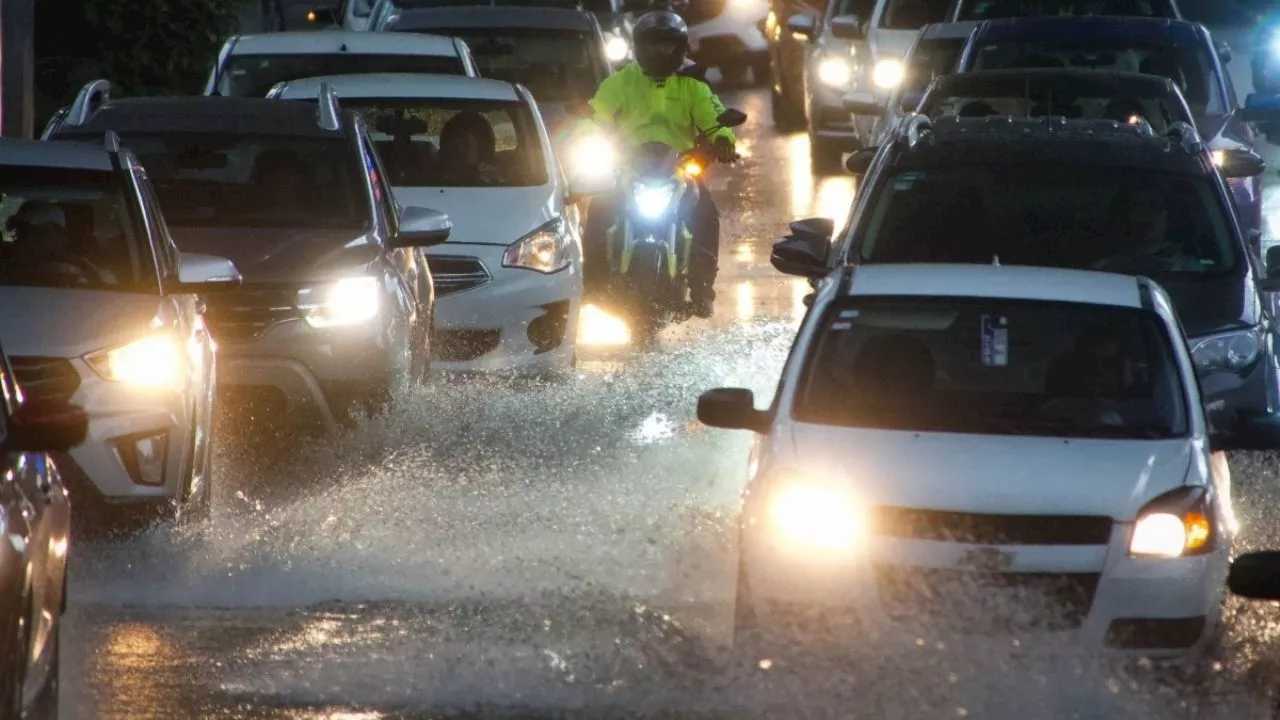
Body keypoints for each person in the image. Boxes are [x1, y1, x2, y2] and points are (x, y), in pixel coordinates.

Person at [580, 10, 737, 319]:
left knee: (706, 215)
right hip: (627, 170)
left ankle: (703, 289)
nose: (660, 52)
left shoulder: (694, 86)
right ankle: (593, 283)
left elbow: (716, 119)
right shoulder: (619, 83)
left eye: (668, 45)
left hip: (679, 170)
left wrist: (723, 139)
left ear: (682, 48)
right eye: (653, 45)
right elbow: (595, 117)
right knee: (597, 210)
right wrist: (589, 137)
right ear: (639, 47)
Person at [1093, 187, 1199, 275]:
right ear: (1126, 216)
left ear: (1168, 216)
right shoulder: (1104, 268)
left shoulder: (1192, 270)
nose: (1146, 214)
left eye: (1155, 207)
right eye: (1137, 207)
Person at [438, 111, 502, 186]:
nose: (460, 148)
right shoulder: (437, 175)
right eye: (455, 143)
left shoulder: (494, 176)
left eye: (465, 144)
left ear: (481, 145)